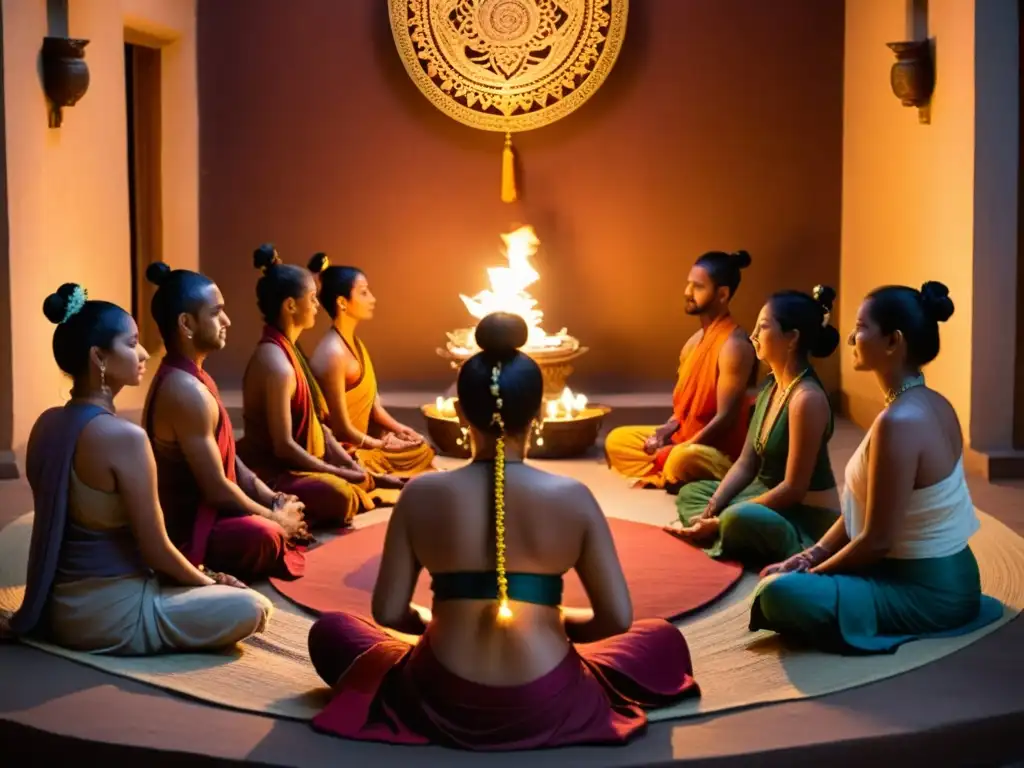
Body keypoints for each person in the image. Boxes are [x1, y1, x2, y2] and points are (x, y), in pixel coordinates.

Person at [305, 313, 699, 750]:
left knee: (333, 630)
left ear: (458, 413)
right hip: (548, 699)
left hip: (439, 695)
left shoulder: (419, 494)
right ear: (540, 414)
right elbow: (616, 620)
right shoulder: (573, 497)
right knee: (661, 638)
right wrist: (554, 624)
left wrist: (440, 620)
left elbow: (390, 614)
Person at [2, 284, 271, 654]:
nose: (144, 353)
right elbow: (157, 549)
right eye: (131, 344)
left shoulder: (46, 425)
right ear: (99, 357)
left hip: (57, 606)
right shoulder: (124, 438)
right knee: (253, 607)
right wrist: (210, 584)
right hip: (113, 615)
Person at [751, 282, 1004, 653]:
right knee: (786, 580)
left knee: (778, 594)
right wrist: (809, 554)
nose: (852, 336)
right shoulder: (933, 403)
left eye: (861, 327)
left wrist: (812, 573)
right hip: (955, 578)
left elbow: (877, 540)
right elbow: (864, 506)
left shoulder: (898, 422)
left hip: (929, 594)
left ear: (892, 342)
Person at [142, 262, 307, 583]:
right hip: (190, 529)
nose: (227, 321)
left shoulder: (196, 378)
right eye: (217, 313)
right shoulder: (184, 391)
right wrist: (274, 517)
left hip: (215, 511)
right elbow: (216, 489)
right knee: (266, 536)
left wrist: (272, 499)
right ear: (187, 323)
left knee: (285, 510)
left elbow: (230, 460)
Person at [666, 286, 841, 569]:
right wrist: (713, 508)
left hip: (804, 516)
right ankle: (717, 527)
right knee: (693, 493)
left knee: (738, 519)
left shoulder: (807, 399)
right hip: (764, 493)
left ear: (792, 338)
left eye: (762, 328)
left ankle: (725, 531)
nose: (753, 337)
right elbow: (747, 463)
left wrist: (725, 516)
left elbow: (793, 489)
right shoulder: (770, 386)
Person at [237, 245, 403, 529]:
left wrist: (353, 469)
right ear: (290, 306)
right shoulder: (275, 363)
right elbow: (284, 447)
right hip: (275, 472)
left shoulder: (293, 351)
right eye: (312, 299)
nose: (316, 306)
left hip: (307, 463)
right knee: (340, 495)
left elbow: (321, 428)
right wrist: (339, 472)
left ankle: (358, 478)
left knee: (354, 479)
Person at [605, 250, 758, 490]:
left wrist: (680, 448)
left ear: (722, 294)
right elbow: (683, 412)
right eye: (688, 284)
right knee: (617, 440)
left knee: (680, 459)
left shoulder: (734, 346)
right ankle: (675, 473)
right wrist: (664, 432)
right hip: (685, 439)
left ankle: (683, 472)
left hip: (717, 451)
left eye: (697, 287)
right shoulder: (694, 342)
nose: (687, 292)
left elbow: (725, 420)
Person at [307, 253, 435, 505]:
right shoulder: (332, 353)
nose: (372, 299)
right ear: (342, 302)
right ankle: (373, 477)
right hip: (342, 453)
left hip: (364, 446)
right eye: (364, 292)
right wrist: (381, 444)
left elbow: (374, 408)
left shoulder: (356, 345)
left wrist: (400, 429)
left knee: (422, 448)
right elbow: (341, 428)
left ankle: (381, 470)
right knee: (355, 478)